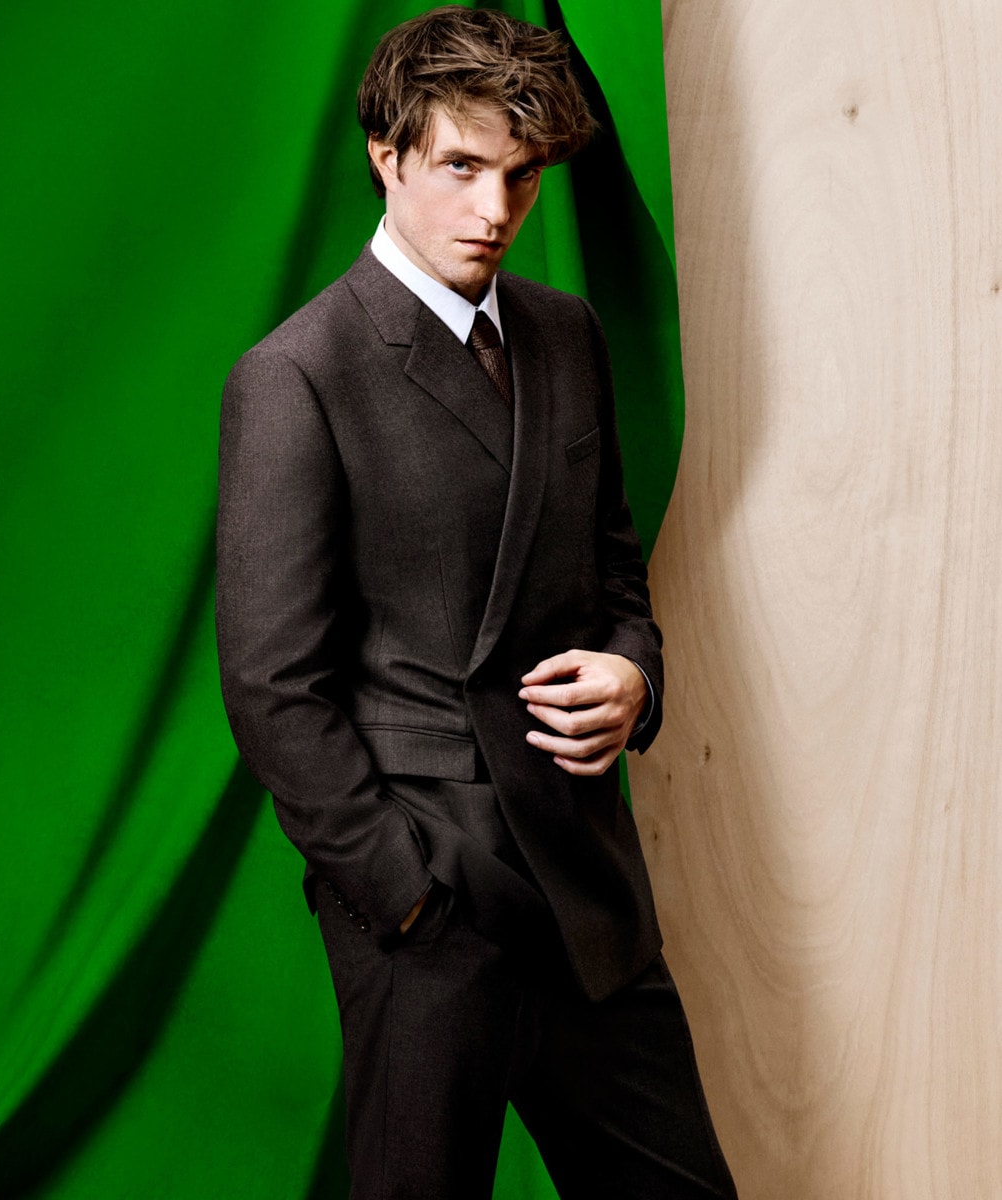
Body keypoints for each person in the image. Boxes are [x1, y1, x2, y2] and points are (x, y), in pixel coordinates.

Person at [216, 7, 737, 1198]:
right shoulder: (296, 376)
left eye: (522, 174)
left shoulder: (566, 334)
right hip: (430, 910)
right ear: (388, 156)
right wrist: (405, 898)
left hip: (588, 890)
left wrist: (635, 673)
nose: (495, 210)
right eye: (461, 167)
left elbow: (615, 573)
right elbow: (272, 688)